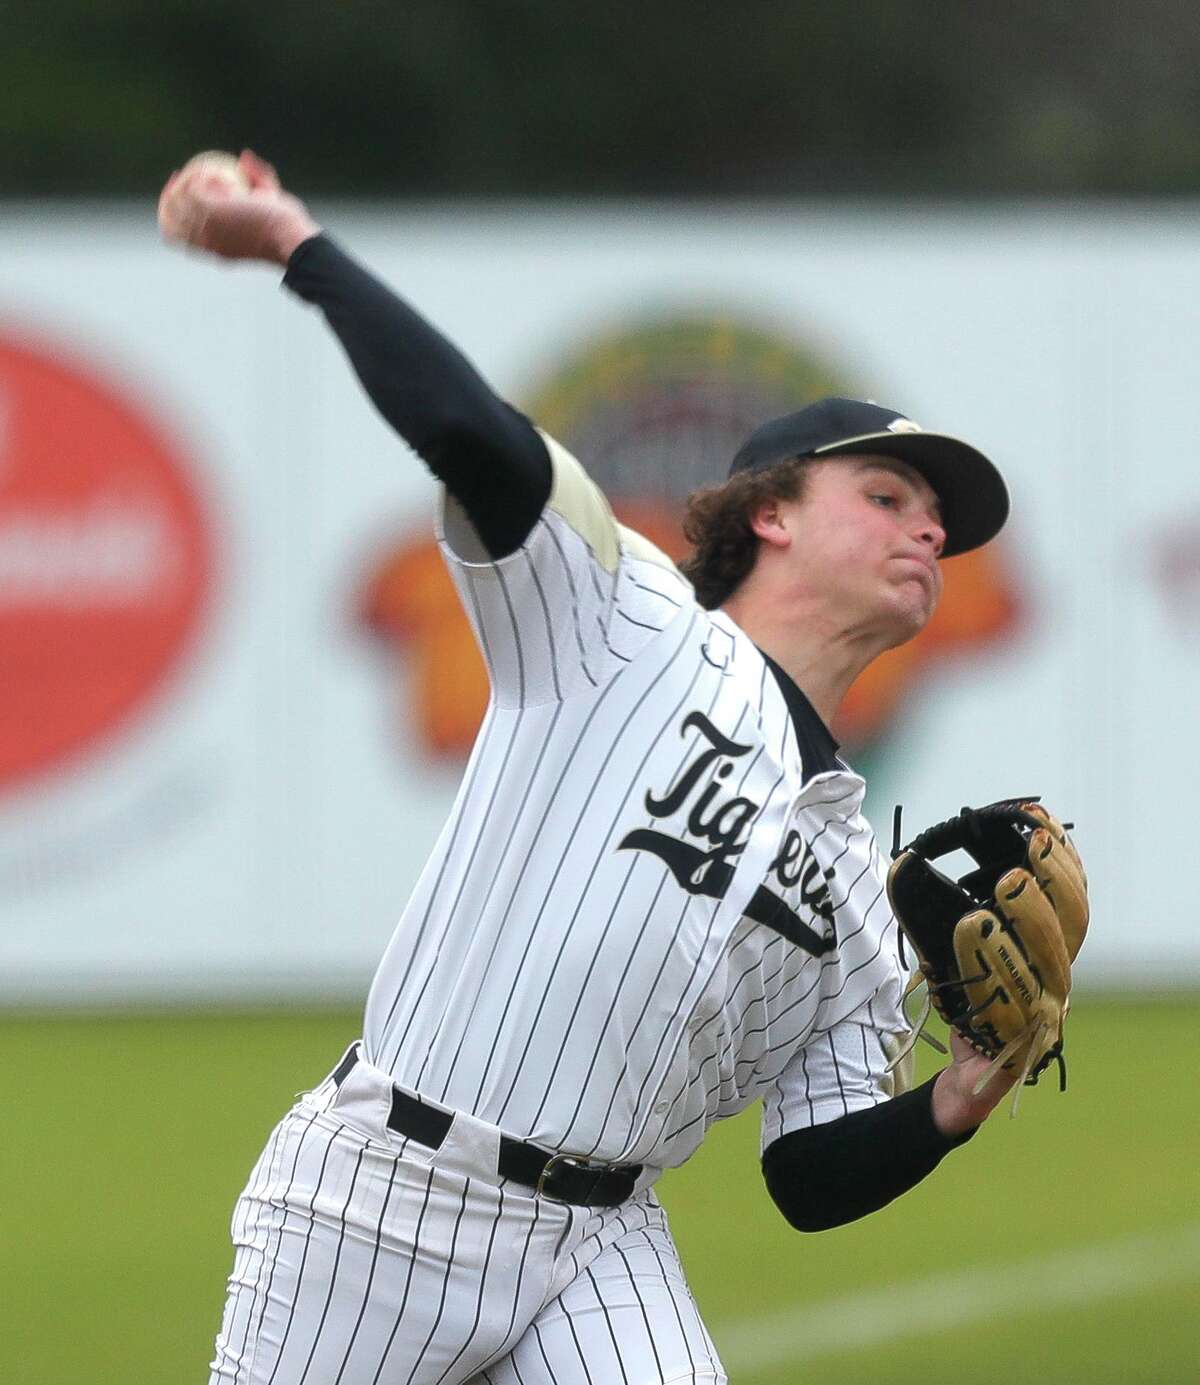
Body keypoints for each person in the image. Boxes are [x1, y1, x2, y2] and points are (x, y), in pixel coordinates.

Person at [161, 151, 1016, 1385]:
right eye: (887, 495)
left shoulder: (854, 877)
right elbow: (470, 432)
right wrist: (299, 244)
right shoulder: (625, 621)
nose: (928, 530)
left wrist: (956, 1100)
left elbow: (808, 1176)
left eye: (939, 523)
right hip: (383, 1195)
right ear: (770, 512)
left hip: (601, 1239)